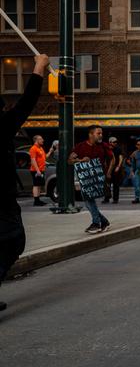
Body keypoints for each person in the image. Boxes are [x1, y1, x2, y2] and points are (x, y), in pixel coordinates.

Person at [1, 54, 47, 312]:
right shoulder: (3, 126)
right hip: (3, 199)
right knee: (14, 240)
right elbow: (26, 103)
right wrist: (39, 68)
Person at [69, 125, 114, 234]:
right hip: (86, 179)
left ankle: (96, 223)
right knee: (88, 201)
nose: (101, 135)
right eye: (98, 133)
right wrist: (80, 160)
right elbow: (70, 160)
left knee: (89, 200)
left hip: (99, 177)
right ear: (91, 134)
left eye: (101, 133)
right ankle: (103, 222)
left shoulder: (103, 146)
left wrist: (108, 173)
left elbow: (112, 158)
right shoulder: (80, 146)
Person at [29, 135, 47, 206]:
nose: (43, 140)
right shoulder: (33, 148)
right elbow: (33, 160)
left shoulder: (41, 148)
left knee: (39, 185)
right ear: (36, 140)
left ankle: (38, 200)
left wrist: (51, 151)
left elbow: (45, 157)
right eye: (41, 139)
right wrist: (37, 170)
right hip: (35, 170)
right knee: (36, 185)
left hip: (41, 170)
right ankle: (36, 201)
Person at [107, 137, 124, 203]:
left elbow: (121, 158)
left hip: (115, 168)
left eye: (116, 142)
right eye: (114, 142)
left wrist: (118, 166)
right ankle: (107, 197)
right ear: (110, 142)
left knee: (116, 184)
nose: (115, 143)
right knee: (107, 184)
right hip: (108, 168)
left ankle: (115, 199)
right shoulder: (107, 149)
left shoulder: (118, 149)